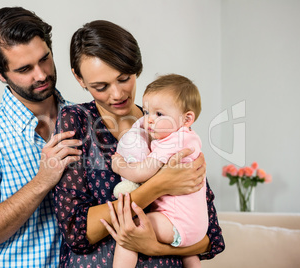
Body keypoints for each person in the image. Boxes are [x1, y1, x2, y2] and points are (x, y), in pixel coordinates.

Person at [53, 20, 224, 267]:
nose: (117, 94)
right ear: (79, 79)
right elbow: (77, 233)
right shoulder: (77, 121)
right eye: (100, 87)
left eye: (124, 79)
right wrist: (158, 186)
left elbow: (211, 239)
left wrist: (153, 246)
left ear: (137, 68)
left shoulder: (167, 123)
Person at [0, 7, 82, 267]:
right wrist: (42, 181)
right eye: (25, 69)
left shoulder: (84, 120)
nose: (41, 74)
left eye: (44, 59)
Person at [110, 74, 207, 268]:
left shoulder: (173, 142)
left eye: (159, 114)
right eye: (146, 112)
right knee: (190, 256)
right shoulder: (189, 137)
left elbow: (142, 173)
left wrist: (119, 166)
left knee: (131, 230)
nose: (149, 120)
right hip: (197, 227)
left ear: (187, 118)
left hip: (177, 222)